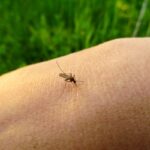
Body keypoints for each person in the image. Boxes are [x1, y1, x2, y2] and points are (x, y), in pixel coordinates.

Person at [0, 38, 149, 150]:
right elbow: (68, 79)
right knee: (66, 76)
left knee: (68, 76)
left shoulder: (73, 79)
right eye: (74, 81)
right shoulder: (69, 79)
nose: (74, 82)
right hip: (64, 76)